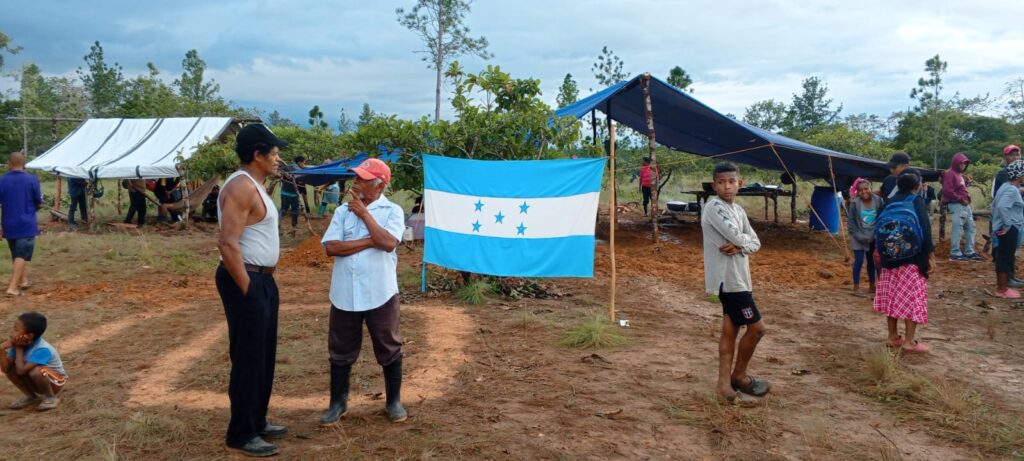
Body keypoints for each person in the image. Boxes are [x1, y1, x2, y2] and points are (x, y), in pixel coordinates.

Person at [215, 124, 288, 457]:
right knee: (247, 357)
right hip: (246, 278)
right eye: (273, 152)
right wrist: (248, 289)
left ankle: (257, 420)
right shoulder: (241, 188)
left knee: (262, 355)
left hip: (263, 278)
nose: (277, 158)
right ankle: (241, 433)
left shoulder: (256, 185)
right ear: (257, 154)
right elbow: (228, 243)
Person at [320, 158, 407, 425]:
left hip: (379, 292)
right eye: (356, 177)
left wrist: (365, 215)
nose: (356, 182)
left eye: (362, 178)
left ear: (379, 185)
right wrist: (371, 240)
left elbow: (389, 242)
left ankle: (393, 402)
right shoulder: (341, 212)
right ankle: (338, 403)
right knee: (340, 348)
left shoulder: (392, 211)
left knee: (388, 345)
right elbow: (331, 247)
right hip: (345, 292)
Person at [701, 162, 769, 403]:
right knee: (757, 328)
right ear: (714, 185)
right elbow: (737, 236)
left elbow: (755, 241)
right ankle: (738, 376)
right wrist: (744, 243)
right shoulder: (714, 208)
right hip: (729, 282)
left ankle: (723, 385)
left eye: (731, 182)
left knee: (731, 329)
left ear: (740, 183)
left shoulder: (738, 211)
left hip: (740, 278)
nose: (727, 186)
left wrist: (742, 246)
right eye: (721, 182)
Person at [873, 171, 935, 353]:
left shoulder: (888, 203)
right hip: (913, 259)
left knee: (892, 296)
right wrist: (931, 257)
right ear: (916, 187)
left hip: (889, 258)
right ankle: (909, 342)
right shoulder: (916, 201)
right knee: (912, 298)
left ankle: (892, 336)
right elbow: (925, 229)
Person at [1, 312, 66, 411]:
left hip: (55, 383)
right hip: (36, 381)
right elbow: (6, 370)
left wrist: (19, 348)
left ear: (29, 336)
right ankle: (30, 396)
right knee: (11, 369)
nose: (11, 333)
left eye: (16, 329)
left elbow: (21, 371)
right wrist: (1, 350)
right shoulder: (18, 344)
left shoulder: (42, 349)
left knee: (35, 371)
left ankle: (51, 397)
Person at [0, 152, 42, 297]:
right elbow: (38, 201)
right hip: (26, 223)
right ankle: (12, 287)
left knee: (17, 253)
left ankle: (23, 281)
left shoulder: (2, 180)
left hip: (8, 223)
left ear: (9, 163)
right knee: (21, 254)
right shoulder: (32, 179)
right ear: (24, 164)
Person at [991, 160, 1024, 298]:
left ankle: (1002, 288)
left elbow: (995, 205)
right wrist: (1008, 225)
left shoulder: (1005, 186)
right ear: (1019, 175)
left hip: (1003, 227)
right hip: (1008, 229)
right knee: (1005, 258)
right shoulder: (1011, 190)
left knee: (1003, 257)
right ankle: (1002, 290)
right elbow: (1002, 207)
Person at [942, 152, 982, 261]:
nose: (963, 165)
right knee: (958, 228)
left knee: (970, 227)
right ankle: (955, 253)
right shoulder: (950, 173)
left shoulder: (959, 175)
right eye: (961, 163)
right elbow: (947, 191)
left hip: (964, 204)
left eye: (965, 164)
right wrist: (960, 199)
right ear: (956, 163)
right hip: (957, 204)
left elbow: (958, 189)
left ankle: (969, 251)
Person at [848, 178, 882, 297]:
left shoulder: (878, 201)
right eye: (860, 190)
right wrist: (860, 237)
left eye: (866, 189)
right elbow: (851, 224)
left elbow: (881, 219)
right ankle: (856, 287)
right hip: (858, 235)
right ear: (857, 192)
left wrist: (874, 236)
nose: (864, 192)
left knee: (873, 261)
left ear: (870, 188)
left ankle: (873, 286)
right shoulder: (854, 204)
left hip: (874, 235)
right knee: (859, 260)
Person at [279, 156, 306, 228]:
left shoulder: (287, 167)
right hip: (293, 194)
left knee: (283, 209)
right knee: (295, 210)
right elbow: (300, 180)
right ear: (299, 162)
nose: (304, 165)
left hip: (283, 192)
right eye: (304, 163)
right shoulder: (299, 170)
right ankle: (294, 225)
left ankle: (277, 223)